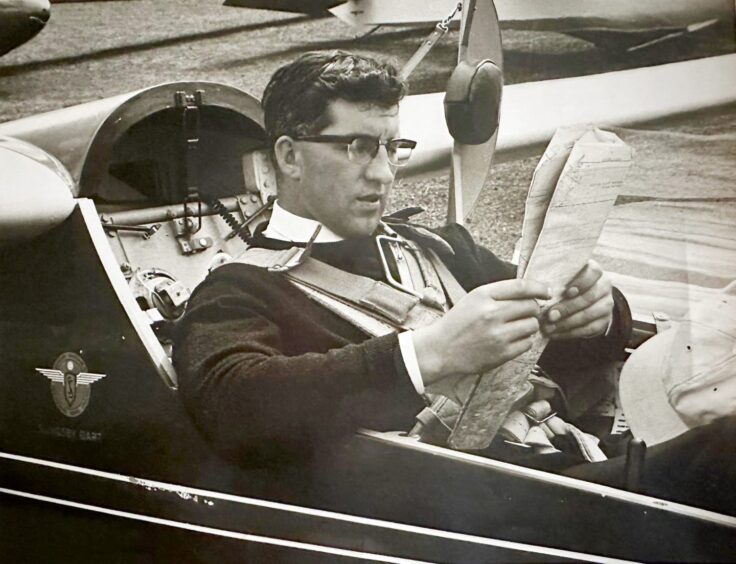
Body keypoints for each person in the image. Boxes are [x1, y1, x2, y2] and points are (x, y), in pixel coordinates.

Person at [173, 50, 736, 513]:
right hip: (487, 509)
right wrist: (431, 353)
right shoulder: (240, 289)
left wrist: (599, 310)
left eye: (392, 148)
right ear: (290, 157)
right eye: (358, 148)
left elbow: (569, 351)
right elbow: (233, 407)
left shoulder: (440, 247)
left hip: (570, 467)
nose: (384, 173)